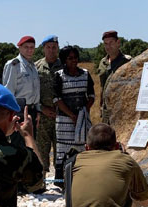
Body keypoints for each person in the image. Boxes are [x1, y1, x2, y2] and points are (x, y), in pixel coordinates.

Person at [66, 123, 148, 207]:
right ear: (116, 146)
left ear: (86, 147)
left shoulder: (71, 163)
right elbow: (146, 202)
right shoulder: (126, 161)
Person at [53, 46, 95, 186]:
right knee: (63, 149)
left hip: (82, 119)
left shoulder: (85, 74)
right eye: (70, 58)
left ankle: (82, 178)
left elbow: (91, 96)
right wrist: (71, 115)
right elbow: (57, 99)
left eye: (75, 57)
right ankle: (62, 180)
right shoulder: (59, 75)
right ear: (64, 60)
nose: (73, 61)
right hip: (64, 119)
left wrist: (84, 111)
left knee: (82, 146)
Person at [35, 35, 62, 185]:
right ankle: (41, 181)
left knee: (61, 149)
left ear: (57, 48)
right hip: (43, 115)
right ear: (44, 48)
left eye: (54, 47)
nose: (51, 50)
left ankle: (61, 181)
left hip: (61, 115)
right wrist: (41, 108)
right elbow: (32, 91)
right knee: (42, 149)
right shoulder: (36, 67)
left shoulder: (64, 65)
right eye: (48, 47)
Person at [3, 36, 40, 137]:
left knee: (30, 143)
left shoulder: (33, 66)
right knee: (19, 144)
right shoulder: (14, 65)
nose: (29, 50)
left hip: (32, 110)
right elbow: (8, 91)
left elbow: (35, 91)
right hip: (18, 110)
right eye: (26, 47)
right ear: (19, 48)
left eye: (32, 47)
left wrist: (37, 111)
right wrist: (11, 115)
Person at [98, 31, 131, 124]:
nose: (108, 46)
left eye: (111, 43)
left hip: (122, 109)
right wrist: (101, 105)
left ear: (118, 43)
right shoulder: (103, 62)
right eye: (106, 44)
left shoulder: (127, 61)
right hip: (106, 110)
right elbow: (102, 86)